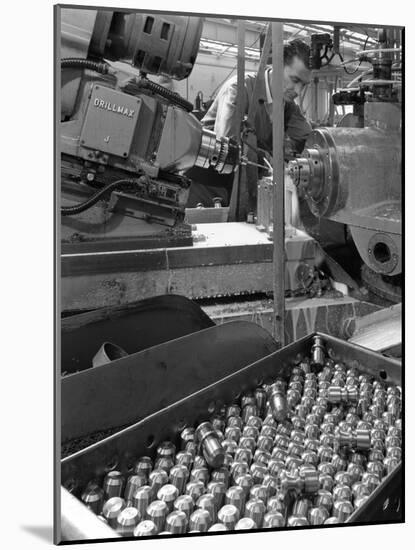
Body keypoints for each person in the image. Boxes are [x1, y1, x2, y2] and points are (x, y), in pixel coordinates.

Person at [186, 38, 312, 210]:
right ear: (276, 65)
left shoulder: (288, 106)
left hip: (246, 185)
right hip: (209, 185)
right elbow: (229, 144)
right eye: (295, 80)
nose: (298, 91)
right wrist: (271, 160)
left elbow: (311, 139)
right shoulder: (239, 89)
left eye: (304, 85)